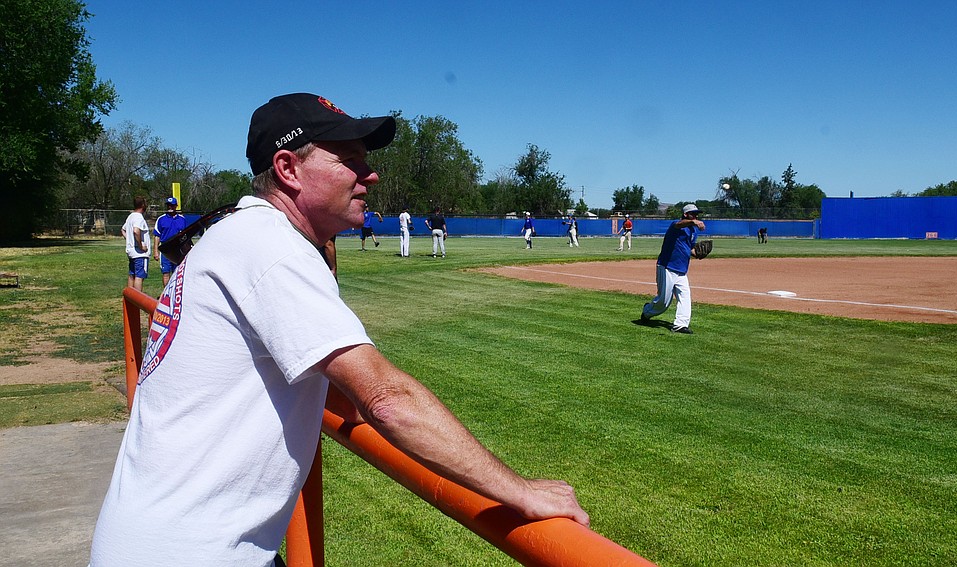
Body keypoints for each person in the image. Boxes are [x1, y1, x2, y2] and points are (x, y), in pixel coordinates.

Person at [90, 93, 587, 567]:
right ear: (288, 169)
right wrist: (519, 490)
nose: (370, 175)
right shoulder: (269, 247)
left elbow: (331, 393)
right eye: (349, 159)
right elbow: (387, 400)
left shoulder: (240, 236)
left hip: (165, 540)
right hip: (191, 552)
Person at [641, 204, 706, 334]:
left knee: (685, 296)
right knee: (663, 302)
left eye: (697, 214)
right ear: (686, 214)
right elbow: (680, 224)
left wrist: (698, 254)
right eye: (693, 214)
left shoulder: (693, 231)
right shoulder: (676, 225)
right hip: (667, 267)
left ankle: (680, 325)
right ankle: (647, 311)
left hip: (682, 270)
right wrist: (693, 221)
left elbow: (690, 249)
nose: (696, 216)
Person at [152, 197, 187, 285]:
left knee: (177, 273)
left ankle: (175, 294)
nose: (170, 207)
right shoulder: (161, 219)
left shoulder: (182, 219)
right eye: (168, 205)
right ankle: (167, 295)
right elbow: (157, 236)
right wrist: (156, 251)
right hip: (166, 249)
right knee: (166, 273)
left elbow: (185, 236)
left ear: (176, 206)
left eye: (172, 205)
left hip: (178, 250)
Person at [121, 196, 150, 292]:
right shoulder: (138, 217)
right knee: (139, 276)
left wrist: (129, 240)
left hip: (131, 252)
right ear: (142, 205)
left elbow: (123, 229)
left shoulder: (130, 216)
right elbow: (136, 231)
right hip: (139, 254)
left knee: (131, 275)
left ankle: (130, 300)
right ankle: (138, 302)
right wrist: (141, 245)